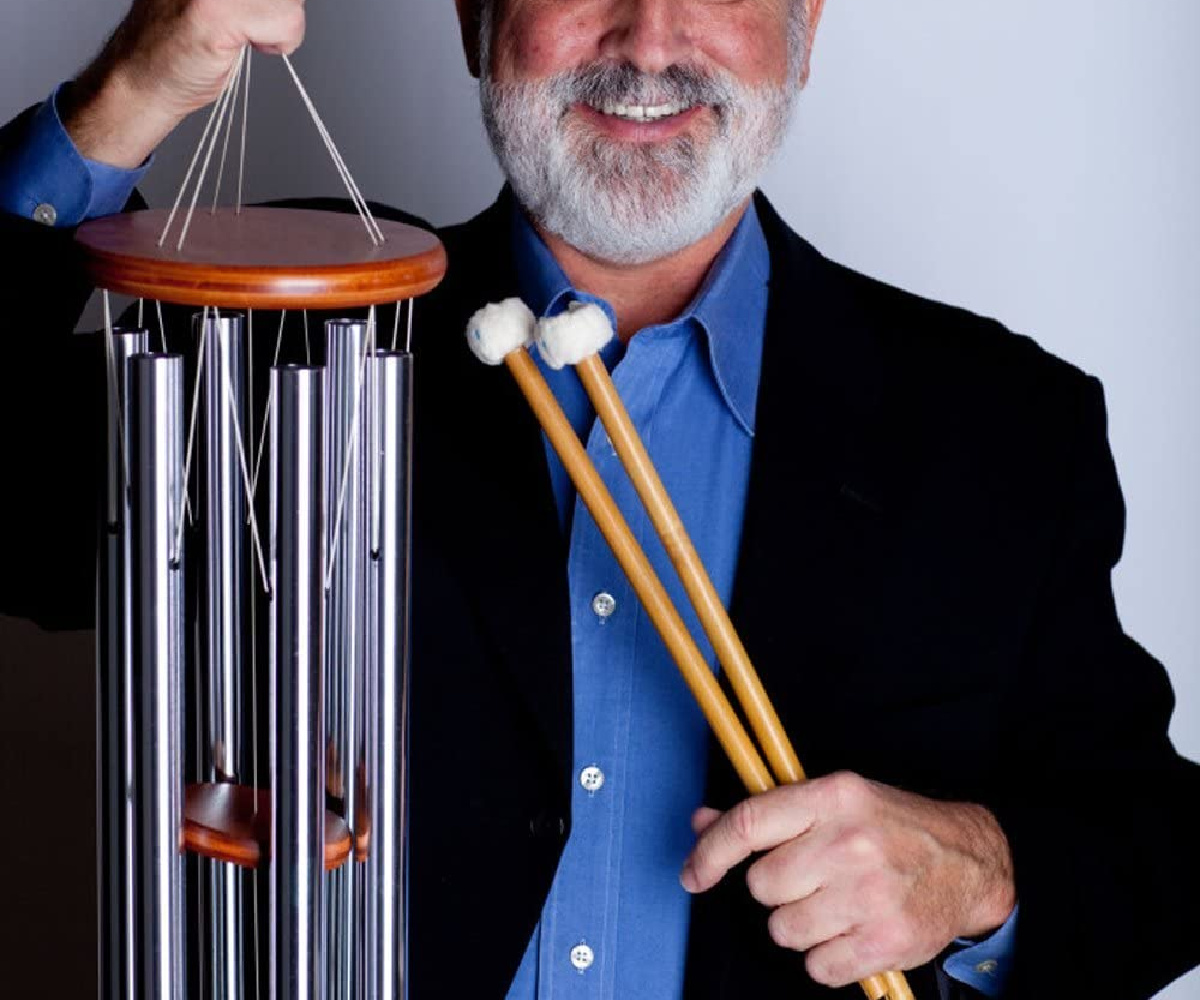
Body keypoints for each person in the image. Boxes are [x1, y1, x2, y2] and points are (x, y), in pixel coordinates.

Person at [1, 1, 1198, 997]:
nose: (649, 39)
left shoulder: (1000, 426)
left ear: (805, 28)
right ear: (476, 18)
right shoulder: (287, 346)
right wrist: (130, 97)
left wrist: (979, 873)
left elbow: (1157, 854)